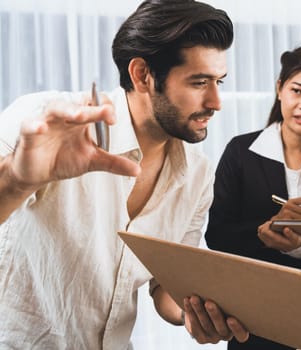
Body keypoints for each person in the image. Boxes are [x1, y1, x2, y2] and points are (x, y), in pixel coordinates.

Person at [0, 0, 249, 348]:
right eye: (199, 82)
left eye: (219, 81)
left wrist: (195, 314)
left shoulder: (198, 175)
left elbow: (165, 285)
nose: (216, 101)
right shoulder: (47, 120)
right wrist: (17, 179)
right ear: (142, 74)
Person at [205, 44, 301, 349]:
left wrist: (300, 249)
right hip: (252, 313)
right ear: (280, 89)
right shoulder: (241, 152)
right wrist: (264, 232)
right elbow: (217, 235)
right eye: (297, 91)